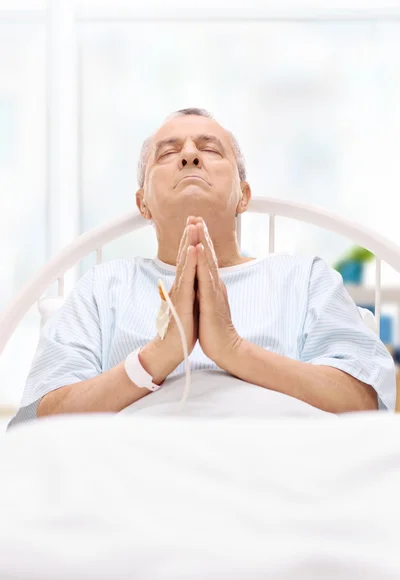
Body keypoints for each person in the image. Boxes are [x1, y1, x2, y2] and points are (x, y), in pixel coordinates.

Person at [8, 108, 395, 428]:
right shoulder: (103, 287)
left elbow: (363, 400)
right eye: (167, 153)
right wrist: (155, 359)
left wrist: (233, 349)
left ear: (243, 195)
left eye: (210, 149)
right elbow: (39, 423)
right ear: (143, 203)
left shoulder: (306, 279)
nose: (189, 156)